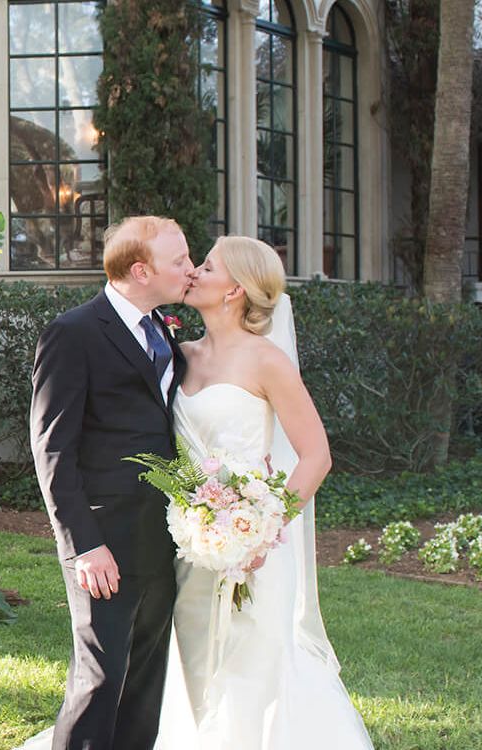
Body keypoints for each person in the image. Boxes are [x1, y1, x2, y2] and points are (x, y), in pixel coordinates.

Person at [155, 236, 372, 749]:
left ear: (234, 290)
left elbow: (316, 455)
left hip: (257, 549)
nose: (193, 273)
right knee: (193, 657)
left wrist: (260, 533)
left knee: (251, 663)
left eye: (206, 267)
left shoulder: (267, 361)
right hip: (191, 540)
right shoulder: (178, 355)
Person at [26, 216, 193, 750]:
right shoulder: (73, 333)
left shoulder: (163, 329)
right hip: (103, 535)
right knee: (101, 676)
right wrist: (84, 545)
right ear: (141, 270)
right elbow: (51, 447)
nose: (190, 269)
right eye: (180, 261)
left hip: (162, 531)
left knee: (146, 676)